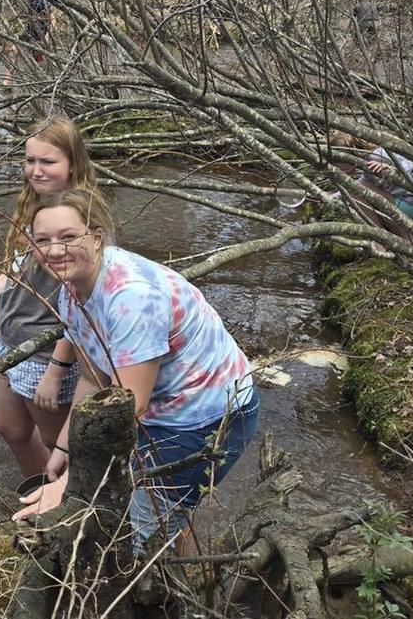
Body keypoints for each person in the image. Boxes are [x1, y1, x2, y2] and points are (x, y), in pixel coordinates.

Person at [13, 190, 258, 552]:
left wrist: (70, 485)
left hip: (208, 420)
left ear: (96, 236)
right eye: (42, 240)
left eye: (68, 237)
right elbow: (93, 379)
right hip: (157, 411)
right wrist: (63, 448)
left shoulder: (131, 298)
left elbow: (128, 409)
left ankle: (172, 597)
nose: (53, 250)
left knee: (137, 536)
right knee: (152, 517)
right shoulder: (71, 289)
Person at [0, 116, 97, 478]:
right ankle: (38, 493)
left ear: (73, 165)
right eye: (30, 160)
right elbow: (23, 266)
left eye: (47, 162)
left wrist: (57, 369)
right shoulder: (33, 205)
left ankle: (66, 508)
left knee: (59, 446)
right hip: (11, 340)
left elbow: (84, 308)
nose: (35, 171)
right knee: (11, 428)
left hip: (48, 353)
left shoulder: (81, 222)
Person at [0, 0, 52, 89]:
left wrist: (47, 35)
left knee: (38, 59)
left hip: (41, 32)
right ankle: (7, 79)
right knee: (14, 51)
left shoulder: (43, 0)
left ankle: (44, 81)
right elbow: (16, 18)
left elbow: (52, 18)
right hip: (28, 31)